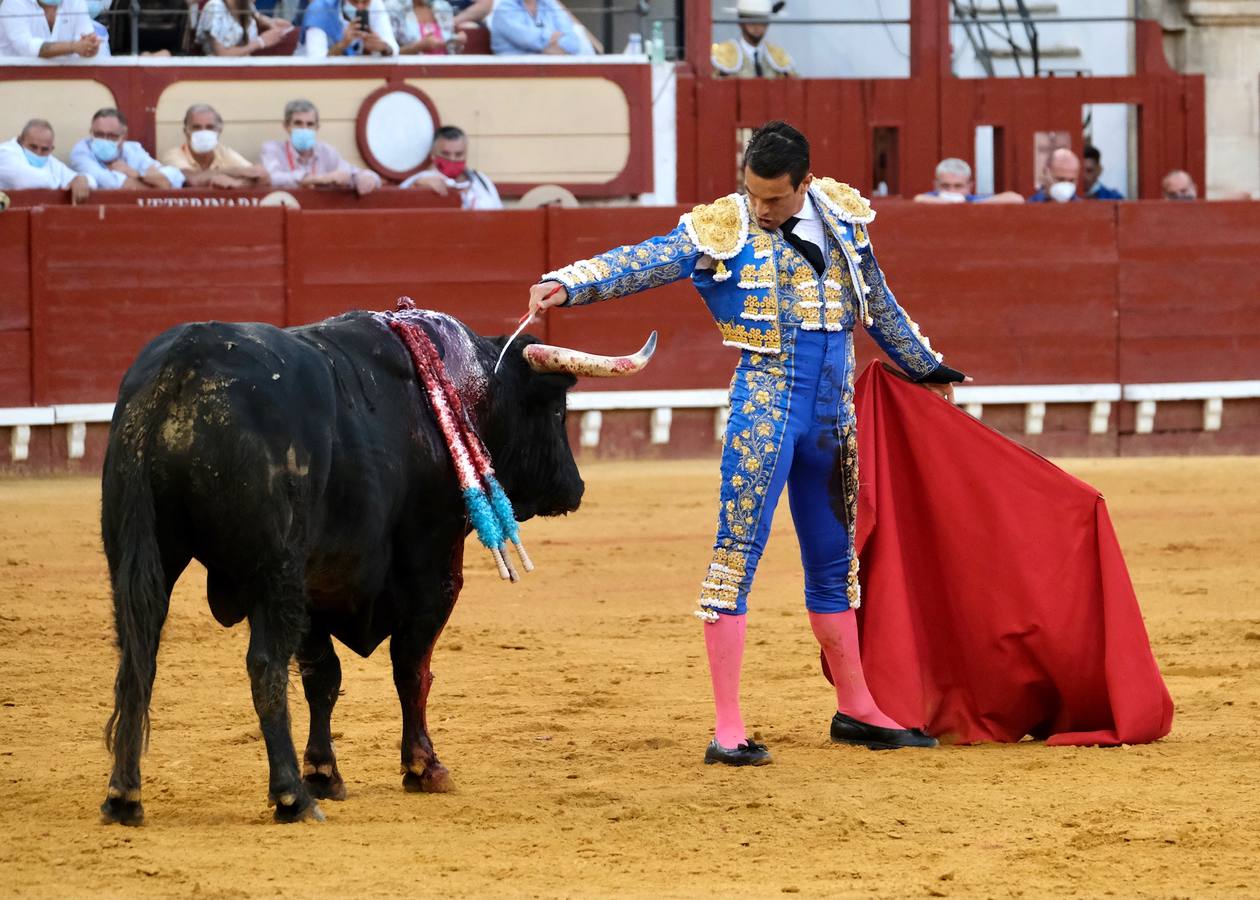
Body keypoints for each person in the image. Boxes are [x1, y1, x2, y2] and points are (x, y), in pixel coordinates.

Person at [525, 121, 966, 767]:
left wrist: (926, 366)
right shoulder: (722, 227)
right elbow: (646, 259)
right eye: (753, 195)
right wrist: (570, 282)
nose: (760, 209)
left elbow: (879, 305)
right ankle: (728, 726)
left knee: (833, 565)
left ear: (805, 185)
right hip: (766, 411)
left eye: (775, 200)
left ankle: (856, 708)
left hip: (831, 418)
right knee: (735, 559)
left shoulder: (842, 217)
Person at [259, 99, 380, 196]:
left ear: (317, 128)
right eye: (298, 123)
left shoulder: (326, 152)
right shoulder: (273, 149)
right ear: (286, 126)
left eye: (310, 124)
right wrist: (319, 179)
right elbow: (271, 177)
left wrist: (365, 178)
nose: (304, 129)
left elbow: (352, 173)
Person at [69, 107, 184, 191]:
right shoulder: (81, 151)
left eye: (112, 136)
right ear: (91, 133)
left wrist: (135, 174)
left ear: (124, 136)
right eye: (99, 134)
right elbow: (109, 182)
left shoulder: (133, 149)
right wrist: (153, 185)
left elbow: (172, 177)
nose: (104, 140)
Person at [161, 104, 270, 190]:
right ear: (186, 131)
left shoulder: (224, 153)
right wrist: (233, 172)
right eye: (196, 127)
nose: (203, 132)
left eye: (209, 127)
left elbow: (262, 176)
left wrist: (237, 184)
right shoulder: (174, 155)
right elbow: (192, 180)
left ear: (219, 131)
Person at [401, 125, 501, 210]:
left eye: (458, 154)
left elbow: (499, 212)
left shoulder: (481, 179)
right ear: (433, 154)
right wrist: (417, 184)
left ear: (466, 154)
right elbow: (400, 197)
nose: (452, 159)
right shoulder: (423, 180)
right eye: (445, 154)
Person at [0, 119, 93, 203]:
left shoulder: (50, 161)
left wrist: (81, 179)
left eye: (44, 149)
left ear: (51, 149)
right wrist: (65, 185)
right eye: (33, 147)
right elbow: (25, 178)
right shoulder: (5, 152)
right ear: (20, 141)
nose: (38, 152)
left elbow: (92, 182)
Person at [711, 0, 795, 79]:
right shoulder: (724, 54)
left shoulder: (778, 55)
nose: (757, 25)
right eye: (751, 19)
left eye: (762, 20)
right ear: (740, 22)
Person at [0, 0, 100, 58]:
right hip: (15, 81)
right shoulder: (13, 3)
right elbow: (26, 47)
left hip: (66, 79)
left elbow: (86, 39)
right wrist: (73, 46)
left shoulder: (75, 2)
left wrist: (91, 46)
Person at [300, 0, 397, 57]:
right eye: (354, 1)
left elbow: (393, 48)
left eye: (365, 1)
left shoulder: (375, 4)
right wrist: (343, 44)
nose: (360, 6)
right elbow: (315, 62)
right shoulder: (320, 9)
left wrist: (382, 47)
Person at [195, 0, 291, 55]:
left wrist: (274, 23)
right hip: (217, 74)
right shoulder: (215, 7)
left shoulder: (246, 5)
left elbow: (260, 18)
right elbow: (222, 54)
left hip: (244, 69)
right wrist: (260, 42)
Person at [488, 0, 584, 56]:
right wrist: (551, 38)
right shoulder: (505, 8)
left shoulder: (549, 4)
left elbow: (573, 41)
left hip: (548, 73)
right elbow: (527, 40)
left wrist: (541, 46)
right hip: (513, 75)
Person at [913, 158, 1024, 204]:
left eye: (958, 186)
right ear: (936, 185)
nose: (952, 191)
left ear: (969, 186)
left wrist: (969, 205)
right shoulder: (932, 197)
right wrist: (953, 204)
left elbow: (1016, 198)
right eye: (945, 186)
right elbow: (919, 199)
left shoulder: (973, 199)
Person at [390, 0, 466, 54]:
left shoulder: (443, 7)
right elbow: (389, 53)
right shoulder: (394, 8)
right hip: (411, 73)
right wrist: (417, 47)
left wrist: (457, 42)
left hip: (444, 72)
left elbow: (451, 52)